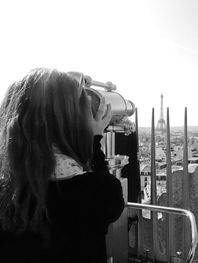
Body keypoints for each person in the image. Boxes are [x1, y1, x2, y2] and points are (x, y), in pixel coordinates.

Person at [0, 68, 125, 263]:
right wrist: (94, 138)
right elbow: (108, 197)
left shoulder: (6, 192)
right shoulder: (97, 192)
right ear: (74, 125)